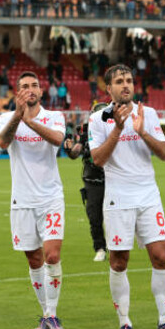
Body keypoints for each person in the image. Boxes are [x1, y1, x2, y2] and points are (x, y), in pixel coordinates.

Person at [89, 64, 165, 329]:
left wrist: (142, 131)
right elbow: (98, 159)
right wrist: (118, 129)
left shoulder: (149, 114)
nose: (126, 85)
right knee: (119, 262)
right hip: (118, 198)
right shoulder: (98, 120)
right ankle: (125, 322)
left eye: (129, 80)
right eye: (119, 81)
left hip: (148, 195)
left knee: (161, 256)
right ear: (108, 88)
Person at [0, 71, 67, 329]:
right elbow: (3, 142)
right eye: (25, 86)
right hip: (22, 199)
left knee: (52, 255)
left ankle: (52, 314)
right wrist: (18, 116)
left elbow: (58, 140)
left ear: (41, 90)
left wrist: (31, 121)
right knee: (34, 259)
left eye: (34, 85)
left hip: (51, 198)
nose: (30, 89)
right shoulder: (7, 118)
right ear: (17, 92)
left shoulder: (54, 117)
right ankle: (45, 312)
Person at [63, 102, 108, 262]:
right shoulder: (86, 130)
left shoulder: (116, 129)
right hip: (93, 179)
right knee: (94, 217)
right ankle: (100, 248)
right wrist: (69, 149)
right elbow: (77, 151)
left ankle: (118, 245)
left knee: (117, 216)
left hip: (114, 178)